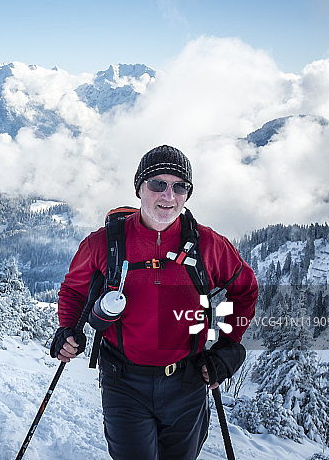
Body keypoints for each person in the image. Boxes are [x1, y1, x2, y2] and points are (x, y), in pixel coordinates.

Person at [51, 145, 258, 460]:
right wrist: (67, 328)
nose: (168, 196)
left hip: (187, 382)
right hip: (123, 381)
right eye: (158, 184)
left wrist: (229, 345)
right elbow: (74, 291)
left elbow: (245, 289)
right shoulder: (103, 243)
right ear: (139, 188)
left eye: (180, 187)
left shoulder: (209, 246)